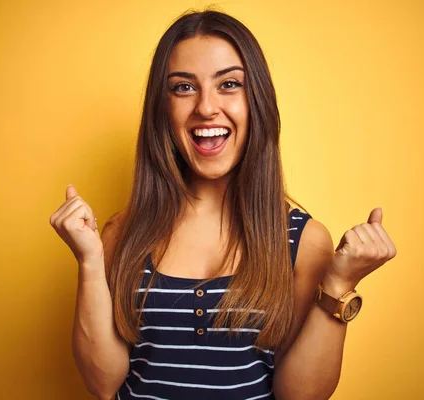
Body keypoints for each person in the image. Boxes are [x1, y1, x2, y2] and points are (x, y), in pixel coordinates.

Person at [49, 9, 396, 400]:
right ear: (161, 109)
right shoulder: (120, 233)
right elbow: (103, 384)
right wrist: (90, 262)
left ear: (257, 102)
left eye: (229, 84)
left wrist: (339, 286)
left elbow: (300, 396)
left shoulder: (303, 241)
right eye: (183, 88)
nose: (206, 107)